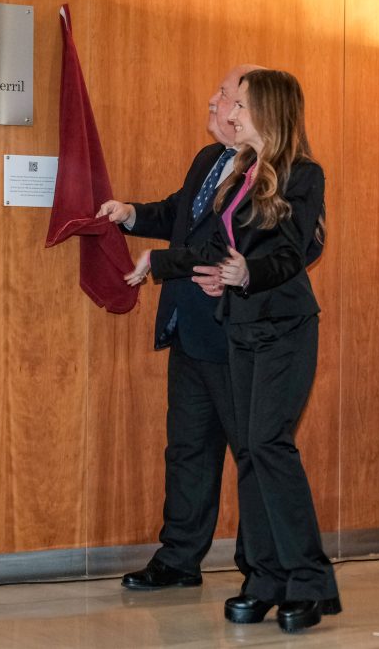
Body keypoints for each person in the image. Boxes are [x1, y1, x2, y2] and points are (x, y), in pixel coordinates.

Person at [126, 69, 340, 633]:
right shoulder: (237, 172)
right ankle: (267, 580)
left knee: (267, 448)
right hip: (240, 328)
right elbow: (214, 245)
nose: (230, 111)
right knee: (253, 453)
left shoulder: (303, 174)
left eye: (241, 103)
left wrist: (247, 274)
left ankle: (310, 583)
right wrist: (159, 262)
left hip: (284, 328)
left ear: (267, 112)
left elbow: (292, 255)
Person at [97, 65, 260, 591]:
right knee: (187, 449)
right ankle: (179, 560)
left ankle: (260, 567)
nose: (213, 101)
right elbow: (180, 214)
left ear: (251, 110)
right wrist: (130, 215)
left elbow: (223, 247)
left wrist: (160, 262)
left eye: (226, 94)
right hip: (191, 328)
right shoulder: (210, 159)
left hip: (237, 337)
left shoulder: (271, 171)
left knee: (254, 454)